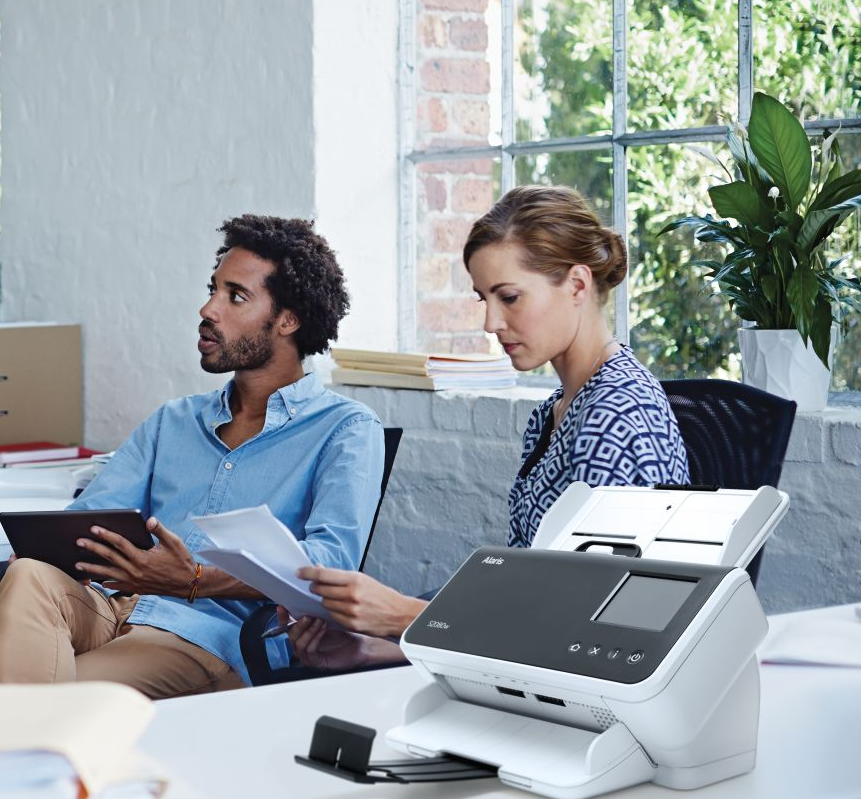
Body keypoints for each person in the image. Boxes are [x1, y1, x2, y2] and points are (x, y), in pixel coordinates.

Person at [285, 185, 690, 670]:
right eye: (483, 298)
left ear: (578, 286)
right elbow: (528, 602)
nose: (491, 322)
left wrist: (401, 618)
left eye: (510, 297)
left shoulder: (616, 420)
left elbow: (587, 633)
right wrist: (382, 646)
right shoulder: (556, 409)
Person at [0, 214, 384, 698]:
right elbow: (89, 519)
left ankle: (2, 752)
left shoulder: (345, 430)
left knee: (54, 701)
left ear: (288, 320)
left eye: (235, 296)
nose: (207, 309)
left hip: (203, 637)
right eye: (213, 289)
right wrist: (51, 548)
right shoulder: (174, 421)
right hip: (111, 606)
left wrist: (194, 579)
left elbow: (330, 567)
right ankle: (18, 756)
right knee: (29, 575)